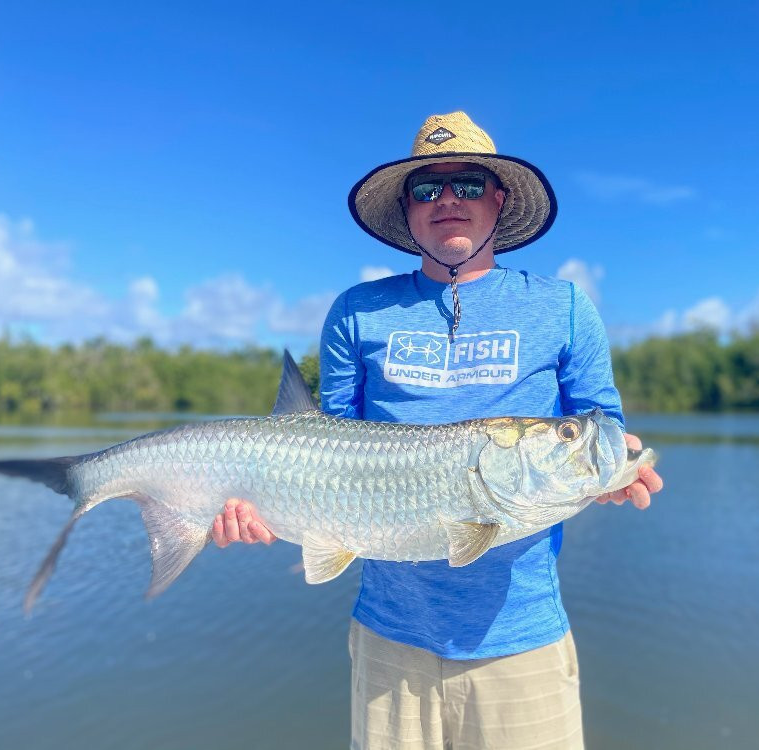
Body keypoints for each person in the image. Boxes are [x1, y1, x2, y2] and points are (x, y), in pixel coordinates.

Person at [213, 111, 663, 750]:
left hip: (522, 642)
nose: (448, 201)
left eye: (468, 184)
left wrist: (614, 464)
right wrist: (266, 503)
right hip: (389, 641)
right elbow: (325, 450)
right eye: (428, 189)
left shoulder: (564, 307)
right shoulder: (357, 312)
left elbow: (602, 421)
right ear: (408, 210)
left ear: (498, 200)